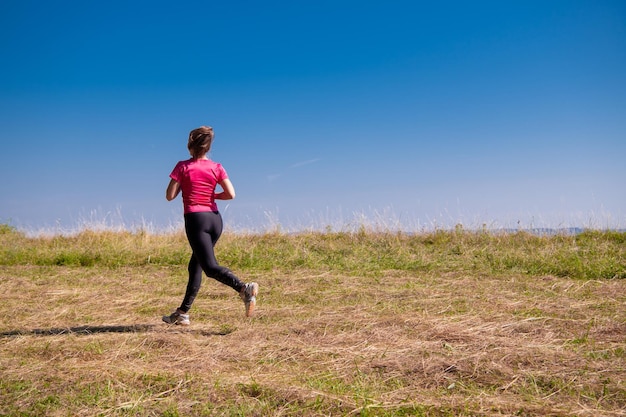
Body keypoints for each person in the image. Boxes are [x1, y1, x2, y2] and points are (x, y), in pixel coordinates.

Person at [162, 126, 258, 326]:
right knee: (195, 265)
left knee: (209, 267)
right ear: (208, 146)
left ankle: (244, 288)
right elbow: (231, 194)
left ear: (190, 145)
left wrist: (180, 182)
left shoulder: (182, 167)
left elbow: (170, 196)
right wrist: (211, 195)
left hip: (196, 220)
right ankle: (182, 312)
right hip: (215, 219)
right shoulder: (217, 167)